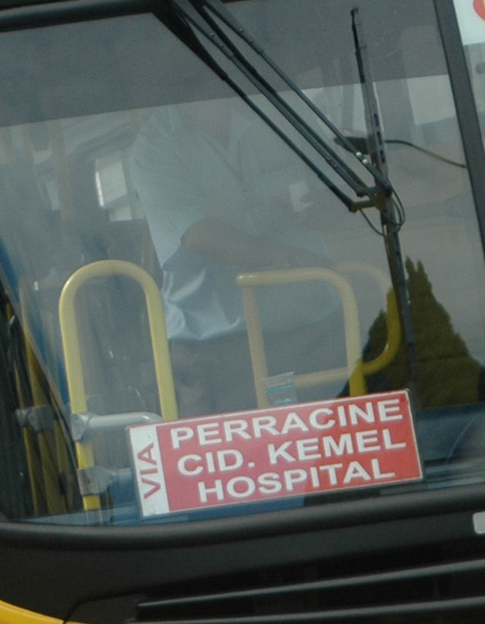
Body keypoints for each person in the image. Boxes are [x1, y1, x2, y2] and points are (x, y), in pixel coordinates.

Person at [128, 100, 353, 417]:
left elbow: (344, 191)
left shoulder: (288, 113)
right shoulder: (154, 147)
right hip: (218, 350)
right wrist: (290, 257)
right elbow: (198, 235)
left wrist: (328, 206)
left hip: (315, 329)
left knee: (339, 449)